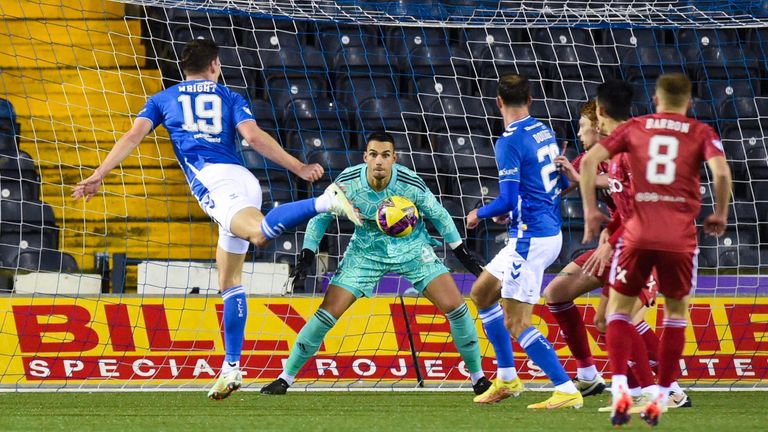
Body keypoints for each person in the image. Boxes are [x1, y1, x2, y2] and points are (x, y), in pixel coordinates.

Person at [71, 39, 361, 400]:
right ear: (215, 65)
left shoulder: (162, 99)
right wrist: (298, 166)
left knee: (258, 234)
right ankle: (232, 367)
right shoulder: (230, 96)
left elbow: (133, 136)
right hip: (241, 179)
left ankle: (324, 202)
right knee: (230, 280)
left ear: (185, 67)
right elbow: (253, 138)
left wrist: (99, 173)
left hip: (214, 182)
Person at [260, 131, 490, 396]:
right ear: (365, 157)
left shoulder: (409, 182)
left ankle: (478, 378)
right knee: (327, 312)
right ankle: (285, 378)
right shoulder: (348, 182)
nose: (379, 161)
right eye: (373, 155)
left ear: (395, 158)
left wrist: (461, 251)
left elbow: (438, 214)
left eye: (385, 155)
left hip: (412, 247)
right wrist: (309, 252)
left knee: (456, 308)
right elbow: (320, 217)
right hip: (365, 250)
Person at [580, 73, 732, 426]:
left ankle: (623, 385)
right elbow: (721, 174)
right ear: (689, 102)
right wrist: (720, 212)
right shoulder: (702, 131)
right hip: (679, 237)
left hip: (637, 234)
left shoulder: (636, 127)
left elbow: (589, 162)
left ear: (657, 99)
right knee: (675, 315)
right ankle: (662, 392)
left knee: (616, 313)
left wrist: (590, 210)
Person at [466, 73, 583, 409]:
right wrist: (514, 211)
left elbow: (504, 200)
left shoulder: (509, 141)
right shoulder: (543, 129)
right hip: (539, 228)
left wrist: (479, 214)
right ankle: (507, 377)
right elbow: (555, 182)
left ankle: (565, 388)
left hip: (532, 237)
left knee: (516, 320)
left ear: (498, 102)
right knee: (482, 293)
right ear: (529, 100)